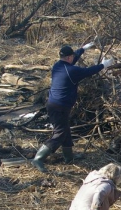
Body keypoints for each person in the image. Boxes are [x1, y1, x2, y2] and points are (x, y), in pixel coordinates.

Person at [31, 43, 114, 172]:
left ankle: (69, 158)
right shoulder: (72, 71)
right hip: (60, 106)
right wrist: (104, 65)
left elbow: (73, 60)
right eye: (73, 56)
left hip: (55, 104)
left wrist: (83, 49)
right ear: (69, 57)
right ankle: (38, 159)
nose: (73, 58)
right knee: (59, 133)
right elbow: (88, 72)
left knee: (65, 130)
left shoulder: (58, 66)